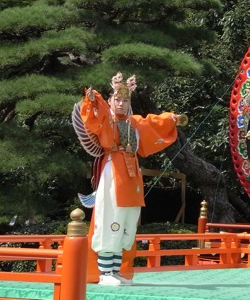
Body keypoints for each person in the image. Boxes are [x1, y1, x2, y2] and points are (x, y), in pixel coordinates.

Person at [72, 72, 183, 286]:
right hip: (114, 171)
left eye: (125, 100)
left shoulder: (133, 122)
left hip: (132, 175)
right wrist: (92, 98)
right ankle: (105, 273)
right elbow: (95, 111)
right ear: (112, 100)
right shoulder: (107, 119)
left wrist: (172, 118)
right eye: (117, 99)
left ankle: (115, 270)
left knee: (127, 223)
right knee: (110, 220)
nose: (121, 103)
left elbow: (153, 122)